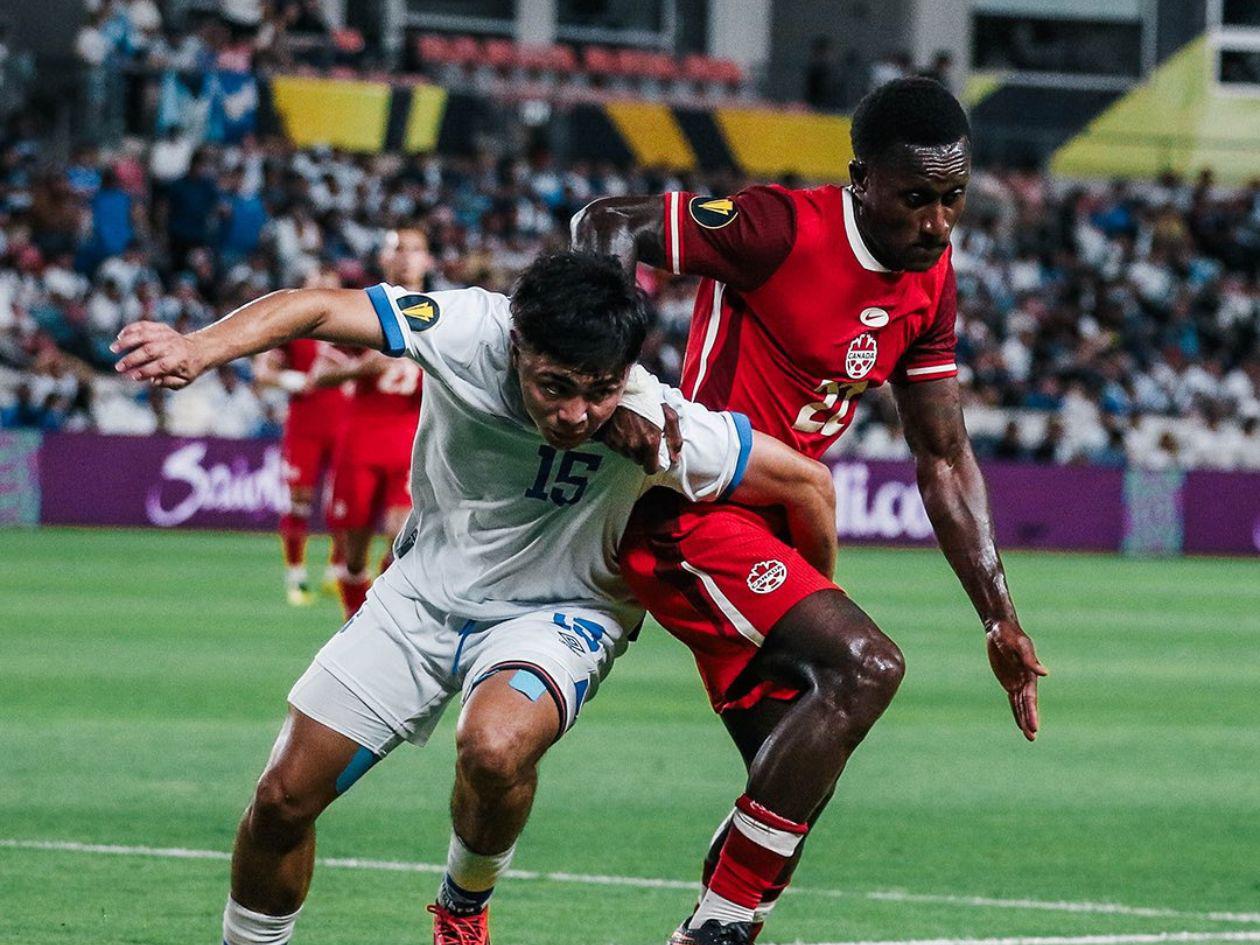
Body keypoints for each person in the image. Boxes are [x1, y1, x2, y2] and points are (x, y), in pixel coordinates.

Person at [111, 250, 837, 945]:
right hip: (422, 593)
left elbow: (808, 483)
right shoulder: (464, 328)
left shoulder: (659, 422)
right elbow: (313, 308)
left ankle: (463, 903)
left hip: (561, 611)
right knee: (279, 801)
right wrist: (199, 347)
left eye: (601, 389)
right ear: (517, 342)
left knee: (493, 747)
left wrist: (803, 618)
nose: (580, 414)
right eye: (556, 385)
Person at [571, 76, 1047, 944]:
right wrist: (616, 382)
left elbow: (943, 456)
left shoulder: (929, 278)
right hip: (686, 507)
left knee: (796, 766)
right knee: (868, 666)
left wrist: (998, 618)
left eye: (953, 199)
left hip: (773, 526)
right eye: (916, 199)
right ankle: (721, 923)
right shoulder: (780, 227)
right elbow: (609, 223)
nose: (938, 224)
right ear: (861, 179)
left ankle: (732, 890)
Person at [320, 227, 429, 617]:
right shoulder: (363, 307)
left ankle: (380, 617)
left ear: (428, 260)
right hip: (361, 441)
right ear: (384, 259)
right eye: (398, 249)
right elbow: (320, 373)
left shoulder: (444, 310)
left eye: (415, 250)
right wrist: (362, 367)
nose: (405, 257)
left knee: (403, 541)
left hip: (412, 443)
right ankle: (354, 622)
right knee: (352, 558)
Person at [253, 269, 350, 605]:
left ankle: (337, 571)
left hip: (345, 424)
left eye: (330, 287)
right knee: (300, 501)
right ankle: (296, 576)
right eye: (315, 287)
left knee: (345, 504)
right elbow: (263, 372)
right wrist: (295, 380)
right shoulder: (295, 331)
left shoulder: (352, 330)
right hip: (305, 426)